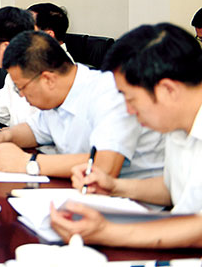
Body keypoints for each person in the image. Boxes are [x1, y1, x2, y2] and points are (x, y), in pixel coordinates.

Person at [51, 23, 202, 248]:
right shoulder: (177, 124)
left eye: (130, 99)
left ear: (168, 90)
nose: (129, 110)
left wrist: (107, 232)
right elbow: (174, 189)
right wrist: (114, 186)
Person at [0, 31, 164, 178]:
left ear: (48, 79)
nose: (22, 96)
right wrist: (3, 136)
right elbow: (35, 130)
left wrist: (28, 162)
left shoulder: (109, 93)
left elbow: (104, 166)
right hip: (90, 190)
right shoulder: (58, 96)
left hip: (140, 202)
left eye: (21, 88)